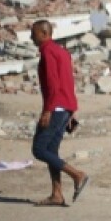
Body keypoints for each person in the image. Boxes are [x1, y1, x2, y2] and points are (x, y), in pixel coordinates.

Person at [29, 20, 89, 206]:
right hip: (65, 107)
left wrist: (47, 111)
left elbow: (54, 85)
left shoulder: (48, 52)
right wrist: (72, 109)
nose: (31, 37)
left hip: (56, 107)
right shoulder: (62, 51)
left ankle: (77, 175)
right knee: (51, 151)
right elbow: (68, 82)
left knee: (39, 149)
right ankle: (57, 194)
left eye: (34, 33)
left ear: (44, 33)